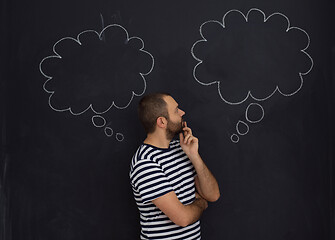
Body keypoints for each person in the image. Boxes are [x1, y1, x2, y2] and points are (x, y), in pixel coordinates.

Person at [129, 93, 220, 240]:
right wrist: (201, 203)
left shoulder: (181, 148)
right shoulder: (145, 163)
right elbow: (182, 218)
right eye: (176, 110)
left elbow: (213, 195)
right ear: (162, 122)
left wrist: (194, 155)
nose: (182, 113)